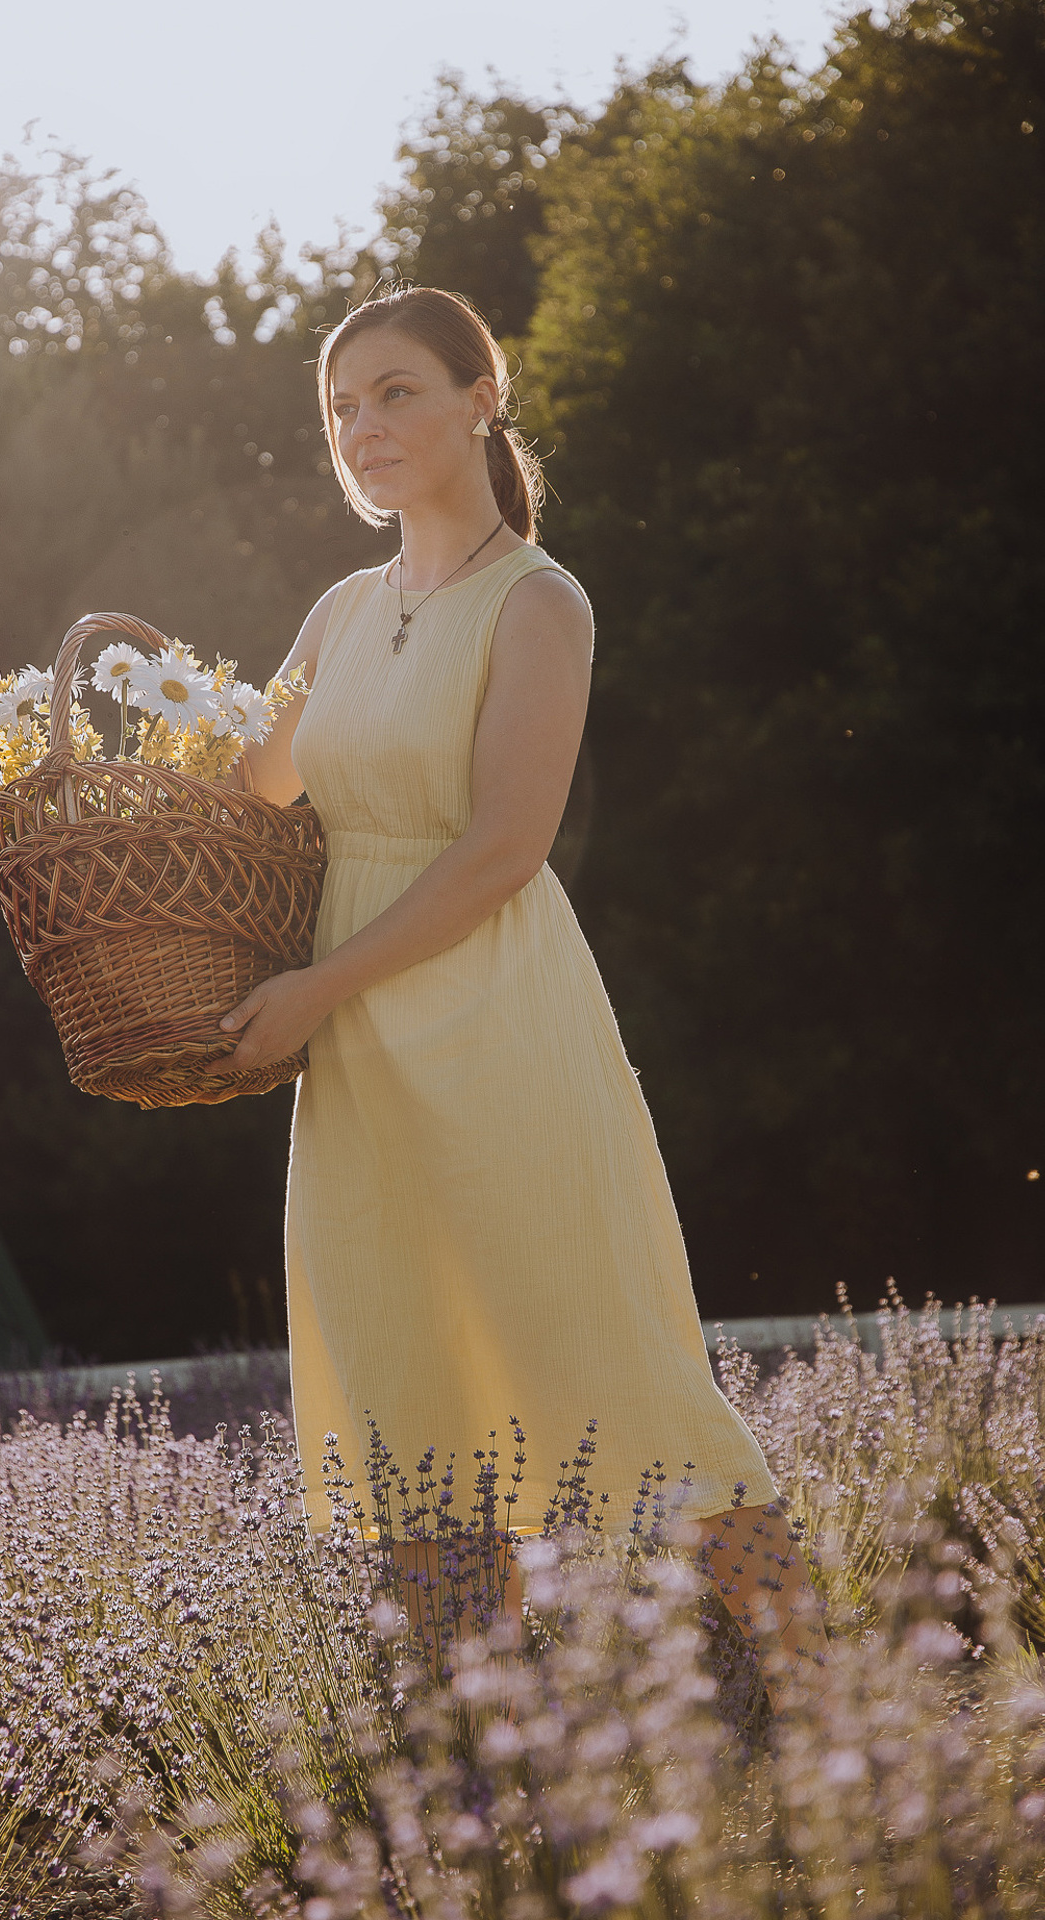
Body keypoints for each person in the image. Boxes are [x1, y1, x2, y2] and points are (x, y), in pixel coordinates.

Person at [216, 285, 828, 1702]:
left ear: (481, 398)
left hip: (487, 1013)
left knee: (606, 1352)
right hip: (353, 1040)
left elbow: (504, 848)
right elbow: (248, 790)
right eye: (340, 407)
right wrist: (71, 795)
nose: (363, 428)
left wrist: (316, 988)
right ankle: (478, 1748)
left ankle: (838, 1702)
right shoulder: (340, 608)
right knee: (402, 1372)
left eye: (396, 393)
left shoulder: (538, 599)